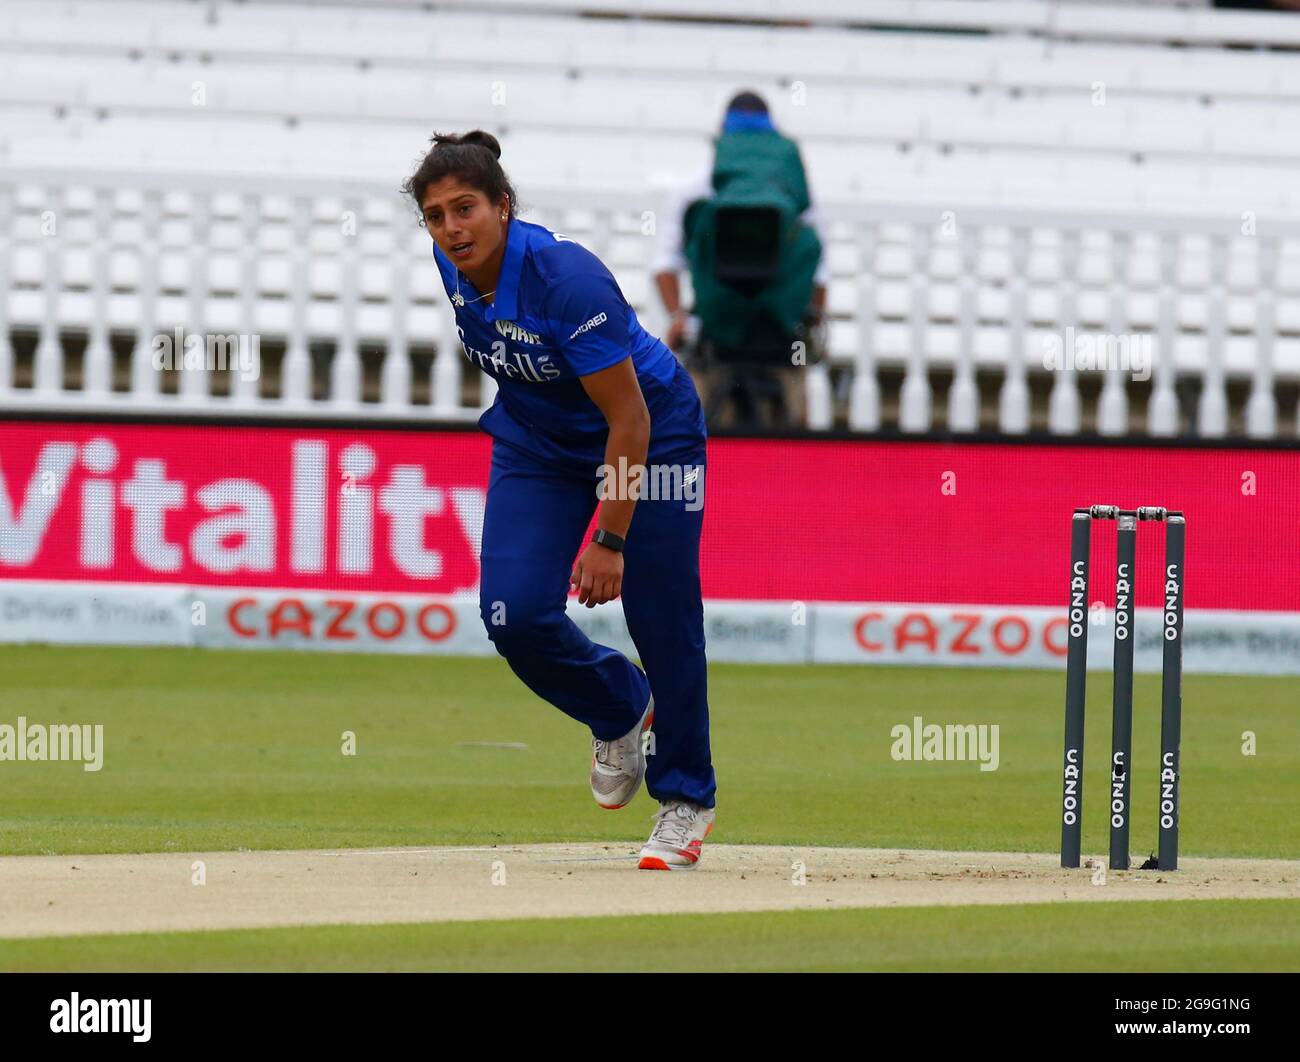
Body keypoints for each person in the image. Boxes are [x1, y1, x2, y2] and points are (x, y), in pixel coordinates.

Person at [404, 130, 717, 870]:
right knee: (511, 614)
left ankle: (685, 800)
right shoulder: (455, 265)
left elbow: (629, 418)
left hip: (652, 436)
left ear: (504, 206)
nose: (452, 228)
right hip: (538, 443)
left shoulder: (566, 280)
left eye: (467, 209)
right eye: (436, 215)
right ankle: (618, 706)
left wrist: (609, 538)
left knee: (660, 615)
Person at [653, 91, 829, 428]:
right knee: (792, 451)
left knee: (699, 443)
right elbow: (819, 269)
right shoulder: (795, 195)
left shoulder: (693, 189)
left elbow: (664, 263)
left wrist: (677, 317)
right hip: (780, 340)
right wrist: (814, 322)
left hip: (713, 340)